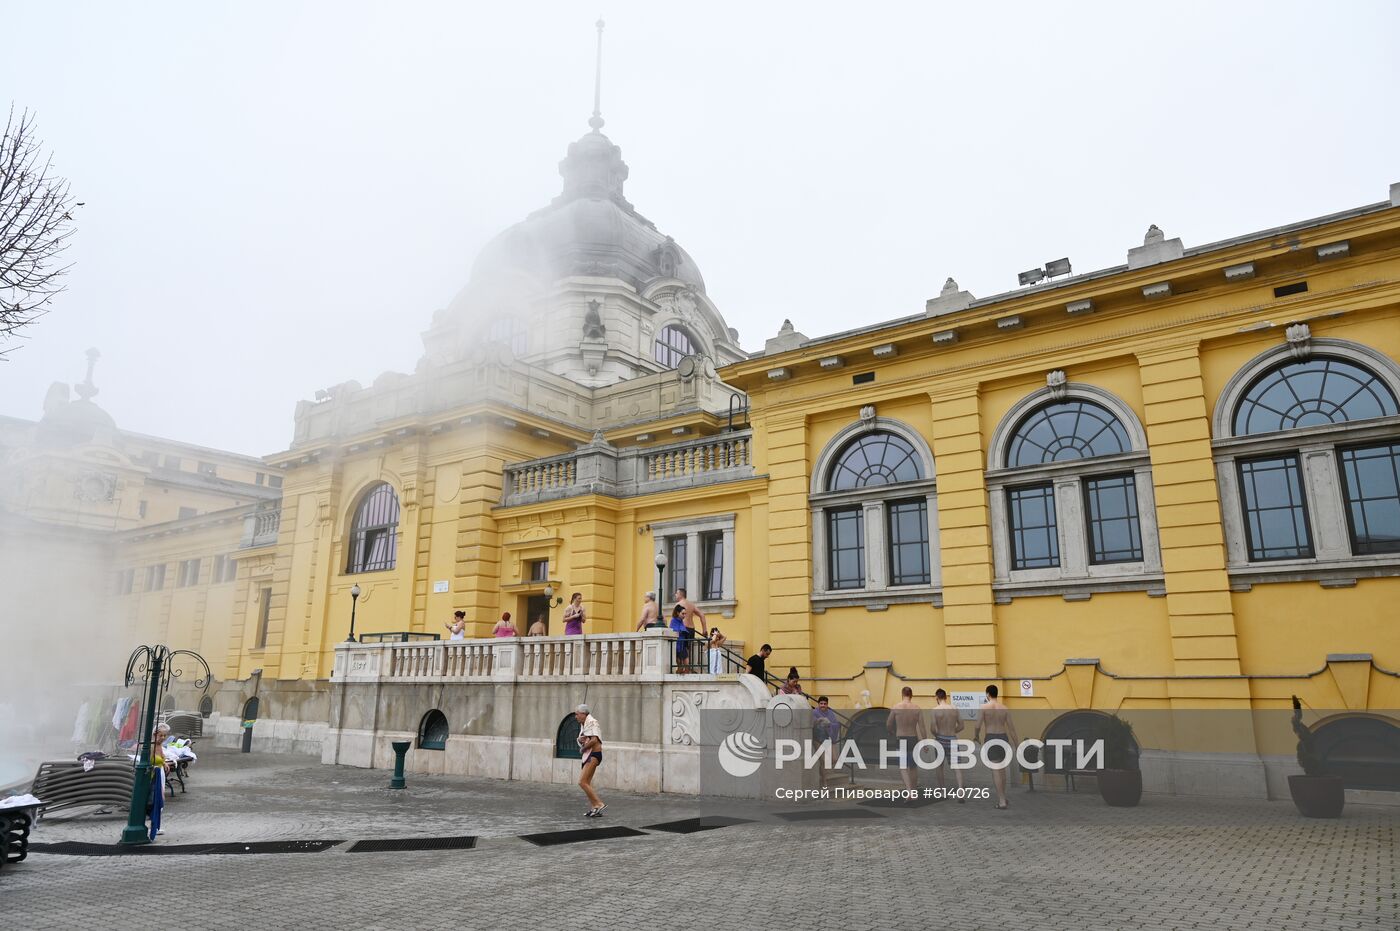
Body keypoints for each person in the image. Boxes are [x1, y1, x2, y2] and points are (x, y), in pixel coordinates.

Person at [974, 684, 1019, 810]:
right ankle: (1003, 797)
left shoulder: (984, 707)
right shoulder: (1004, 708)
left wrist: (976, 735)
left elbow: (977, 725)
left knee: (995, 770)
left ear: (988, 694)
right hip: (1003, 737)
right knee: (1002, 769)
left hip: (991, 738)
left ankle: (1001, 801)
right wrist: (1017, 744)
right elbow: (1012, 728)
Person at [885, 686, 927, 793]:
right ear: (911, 695)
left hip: (901, 738)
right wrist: (925, 743)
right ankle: (913, 790)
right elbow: (922, 727)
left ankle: (908, 791)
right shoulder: (917, 708)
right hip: (913, 739)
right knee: (913, 767)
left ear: (902, 694)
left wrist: (891, 731)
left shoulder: (896, 707)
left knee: (903, 767)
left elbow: (888, 724)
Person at [931, 688, 966, 798]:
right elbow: (961, 725)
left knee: (939, 766)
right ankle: (960, 789)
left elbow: (932, 728)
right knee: (957, 766)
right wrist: (952, 731)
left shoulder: (935, 710)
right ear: (946, 697)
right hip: (952, 738)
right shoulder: (954, 709)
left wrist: (936, 734)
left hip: (940, 738)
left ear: (937, 697)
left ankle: (942, 791)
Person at [574, 703, 605, 818]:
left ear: (583, 714)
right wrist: (582, 740)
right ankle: (595, 807)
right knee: (586, 783)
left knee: (582, 782)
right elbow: (589, 739)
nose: (575, 717)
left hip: (593, 755)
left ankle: (599, 804)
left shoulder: (592, 722)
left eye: (577, 714)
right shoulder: (584, 724)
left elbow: (594, 740)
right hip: (591, 755)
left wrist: (583, 748)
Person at [148, 722, 171, 840]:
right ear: (154, 734)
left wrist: (164, 763)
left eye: (164, 736)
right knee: (154, 800)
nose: (162, 738)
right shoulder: (151, 746)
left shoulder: (160, 746)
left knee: (160, 800)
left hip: (160, 774)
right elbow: (151, 760)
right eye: (161, 735)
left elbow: (161, 758)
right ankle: (152, 826)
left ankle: (155, 826)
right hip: (153, 776)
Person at [812, 695, 841, 779]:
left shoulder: (830, 713)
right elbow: (814, 723)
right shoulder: (814, 712)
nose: (823, 705)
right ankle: (824, 780)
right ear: (818, 704)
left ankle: (821, 770)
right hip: (818, 738)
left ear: (827, 704)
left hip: (828, 738)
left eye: (825, 704)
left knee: (835, 759)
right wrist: (821, 722)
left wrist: (829, 724)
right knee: (824, 761)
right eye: (821, 703)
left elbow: (836, 724)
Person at [669, 604, 691, 673]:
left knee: (685, 656)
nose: (684, 615)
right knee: (678, 656)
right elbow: (674, 629)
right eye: (683, 613)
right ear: (678, 613)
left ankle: (686, 669)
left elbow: (682, 629)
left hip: (682, 641)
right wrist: (683, 631)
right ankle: (680, 668)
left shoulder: (681, 620)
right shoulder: (674, 620)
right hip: (677, 641)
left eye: (685, 614)